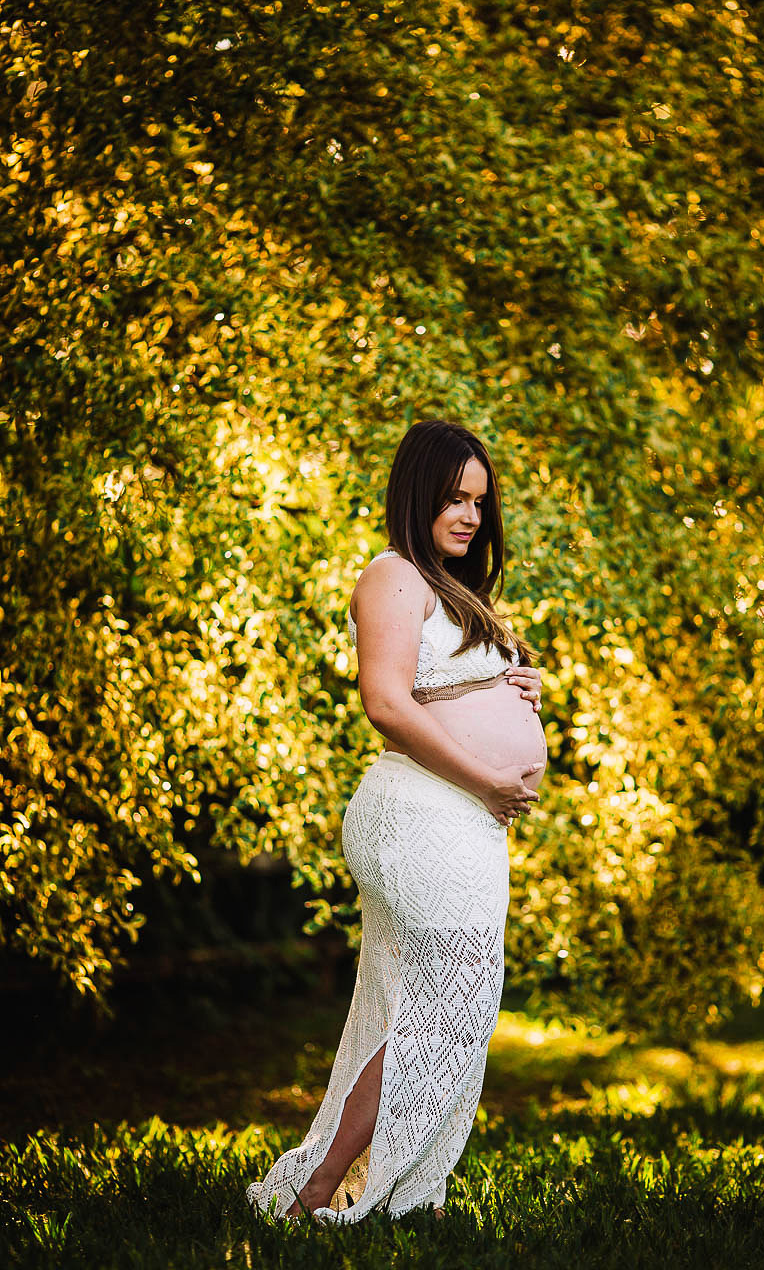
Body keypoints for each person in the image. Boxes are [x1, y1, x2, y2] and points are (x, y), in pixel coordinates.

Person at [247, 419, 547, 1223]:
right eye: (452, 499)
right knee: (443, 1004)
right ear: (417, 495)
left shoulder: (452, 590)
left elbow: (445, 686)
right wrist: (488, 777)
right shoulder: (393, 575)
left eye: (478, 502)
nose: (469, 516)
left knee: (436, 1005)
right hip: (420, 813)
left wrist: (516, 686)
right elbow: (384, 702)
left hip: (463, 820)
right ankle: (320, 1190)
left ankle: (401, 1188)